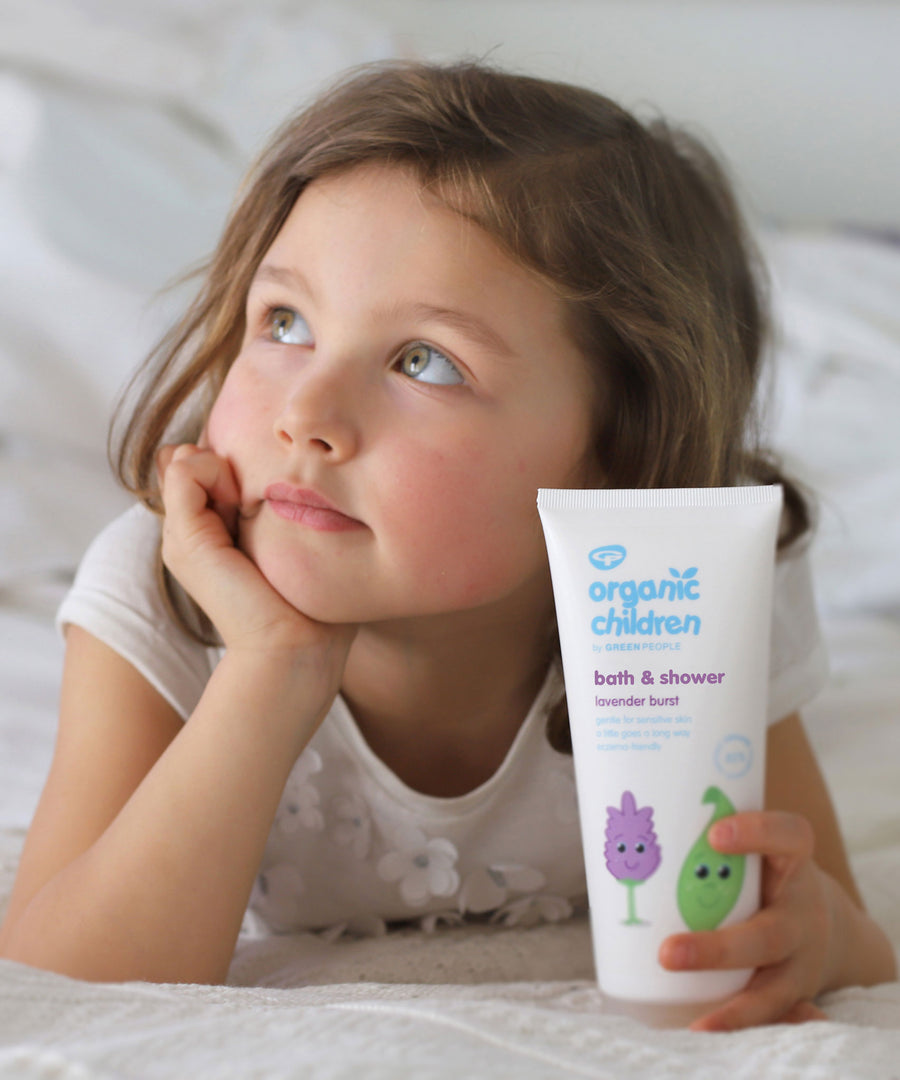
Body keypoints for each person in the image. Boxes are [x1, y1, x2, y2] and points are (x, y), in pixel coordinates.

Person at [0, 60, 893, 1030]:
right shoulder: (161, 593)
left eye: (422, 360)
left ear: (619, 457)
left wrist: (816, 936)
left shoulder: (689, 593)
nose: (307, 415)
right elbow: (58, 987)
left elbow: (841, 928)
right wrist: (272, 669)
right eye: (285, 322)